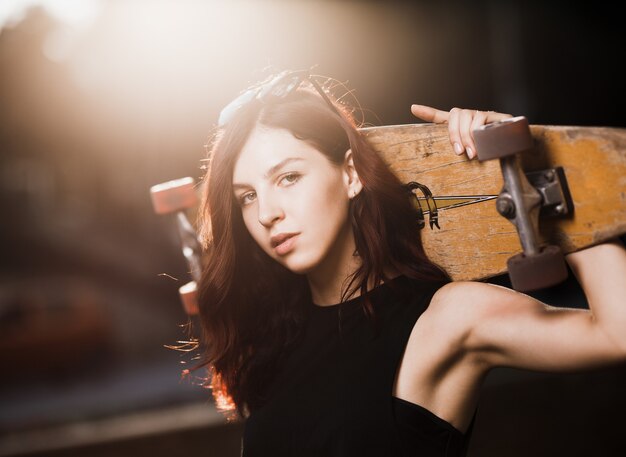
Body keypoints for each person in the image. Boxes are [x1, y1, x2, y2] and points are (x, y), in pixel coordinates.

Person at [191, 69, 626, 456]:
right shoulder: (274, 334)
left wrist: (547, 173)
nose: (266, 212)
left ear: (350, 175)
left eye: (288, 178)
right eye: (246, 196)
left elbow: (616, 334)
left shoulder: (447, 318)